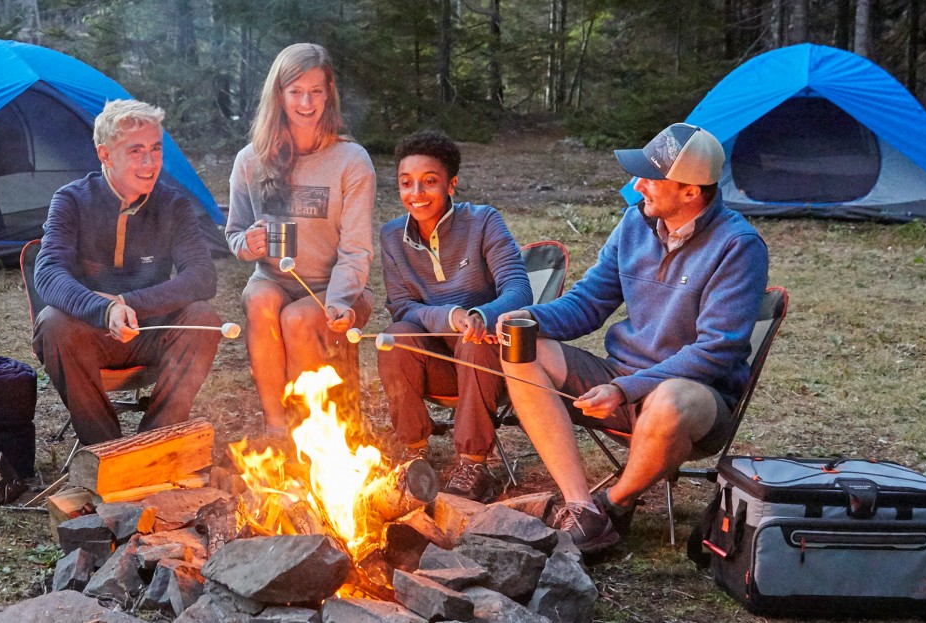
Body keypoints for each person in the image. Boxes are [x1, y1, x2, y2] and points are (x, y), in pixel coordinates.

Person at [497, 123, 769, 552]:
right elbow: (588, 302)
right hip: (620, 378)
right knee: (524, 350)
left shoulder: (738, 246)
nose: (637, 184)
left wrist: (624, 389)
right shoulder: (635, 224)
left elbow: (717, 350)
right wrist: (529, 317)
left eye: (651, 177)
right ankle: (582, 508)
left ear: (690, 192)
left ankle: (614, 503)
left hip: (694, 399)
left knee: (670, 399)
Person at [31, 99, 222, 446]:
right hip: (88, 334)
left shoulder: (172, 205)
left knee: (203, 318)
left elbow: (202, 276)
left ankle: (153, 444)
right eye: (136, 151)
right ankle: (105, 450)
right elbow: (47, 273)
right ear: (105, 155)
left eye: (155, 149)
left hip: (152, 332)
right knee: (53, 322)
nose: (150, 163)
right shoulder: (72, 200)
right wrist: (103, 310)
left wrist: (127, 302)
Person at [225, 43, 375, 439]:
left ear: (329, 93)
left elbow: (357, 249)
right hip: (273, 278)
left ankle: (313, 435)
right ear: (279, 94)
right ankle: (277, 429)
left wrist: (341, 299)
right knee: (261, 301)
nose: (306, 102)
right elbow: (234, 233)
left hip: (334, 288)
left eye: (316, 91)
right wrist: (248, 244)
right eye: (296, 91)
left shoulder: (351, 160)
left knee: (295, 319)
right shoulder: (251, 159)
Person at [376, 130, 532, 502]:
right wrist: (450, 315)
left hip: (485, 360)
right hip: (435, 359)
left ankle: (473, 462)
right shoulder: (392, 236)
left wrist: (480, 314)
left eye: (429, 182)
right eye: (406, 183)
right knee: (394, 337)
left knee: (474, 343)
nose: (417, 193)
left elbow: (519, 289)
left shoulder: (483, 222)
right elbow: (403, 306)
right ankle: (415, 450)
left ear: (451, 184)